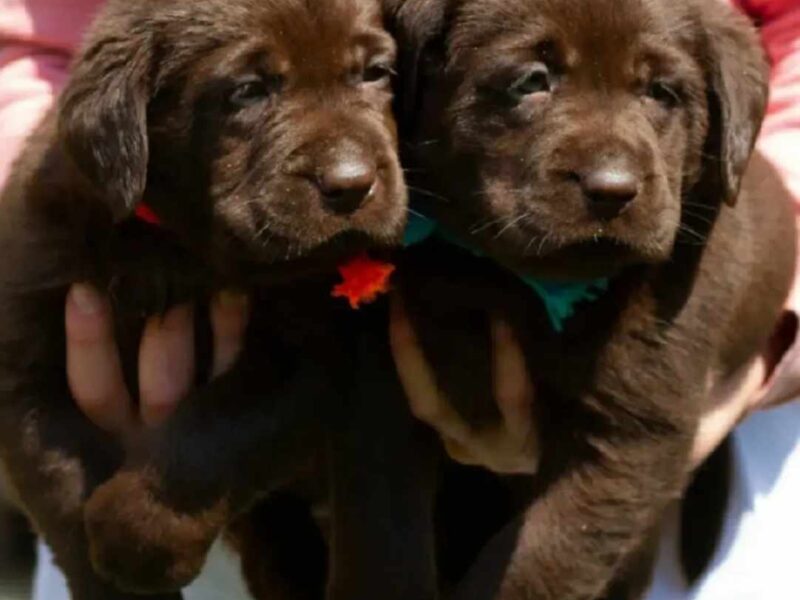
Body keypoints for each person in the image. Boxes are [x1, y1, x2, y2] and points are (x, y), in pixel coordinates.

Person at [0, 0, 797, 598]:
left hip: (712, 410)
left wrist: (750, 347)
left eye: (374, 70)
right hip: (387, 244)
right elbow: (29, 39)